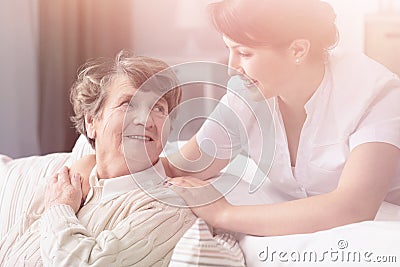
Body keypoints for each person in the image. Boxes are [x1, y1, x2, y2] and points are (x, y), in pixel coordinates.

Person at [162, 0, 400, 236]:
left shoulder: (377, 96)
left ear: (298, 50)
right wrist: (128, 150)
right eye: (229, 50)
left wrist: (222, 213)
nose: (232, 67)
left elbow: (353, 207)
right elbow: (182, 167)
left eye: (245, 53)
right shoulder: (249, 92)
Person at [0, 50, 196, 266]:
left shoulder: (166, 209)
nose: (146, 120)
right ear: (92, 122)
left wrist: (59, 208)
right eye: (128, 104)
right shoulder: (66, 182)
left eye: (159, 108)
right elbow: (12, 251)